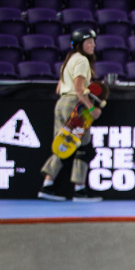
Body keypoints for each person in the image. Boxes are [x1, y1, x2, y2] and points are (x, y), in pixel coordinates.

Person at [38, 28, 102, 202]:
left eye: (93, 42)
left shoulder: (69, 60)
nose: (93, 45)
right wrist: (92, 109)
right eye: (89, 42)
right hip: (75, 104)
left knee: (63, 144)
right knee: (83, 148)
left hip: (61, 104)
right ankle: (80, 190)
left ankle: (47, 185)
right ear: (80, 44)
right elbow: (79, 89)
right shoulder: (82, 60)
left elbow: (59, 88)